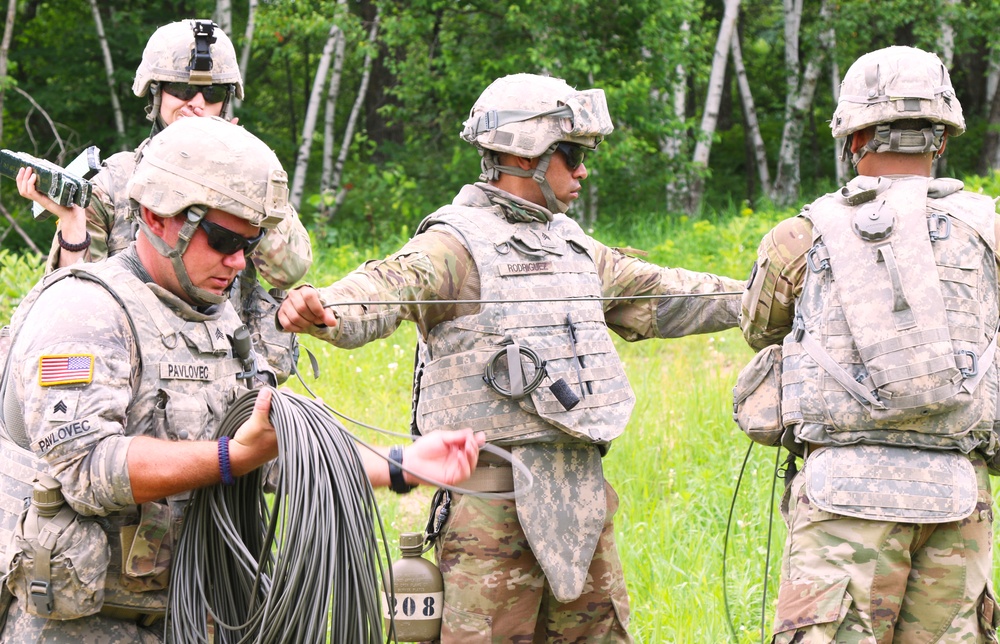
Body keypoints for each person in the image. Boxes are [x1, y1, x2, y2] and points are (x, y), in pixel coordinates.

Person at [277, 72, 743, 642]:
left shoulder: (571, 245)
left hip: (580, 499)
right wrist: (325, 309)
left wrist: (758, 300)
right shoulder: (454, 243)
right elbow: (389, 284)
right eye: (570, 155)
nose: (583, 171)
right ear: (522, 156)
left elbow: (660, 294)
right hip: (488, 511)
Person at [0, 116, 482, 641]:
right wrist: (233, 457)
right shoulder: (85, 309)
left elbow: (275, 440)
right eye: (223, 238)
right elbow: (87, 466)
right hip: (85, 624)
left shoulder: (219, 317)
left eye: (248, 245)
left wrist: (398, 465)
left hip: (198, 615)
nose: (236, 261)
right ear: (156, 217)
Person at [738, 46, 1000, 641]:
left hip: (840, 500)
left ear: (853, 137)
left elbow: (759, 328)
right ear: (940, 138)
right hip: (956, 497)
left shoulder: (800, 236)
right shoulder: (991, 228)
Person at [20, 18, 312, 384]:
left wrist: (243, 176)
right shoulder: (115, 181)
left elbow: (290, 270)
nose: (196, 104)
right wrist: (72, 225)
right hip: (136, 370)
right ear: (155, 93)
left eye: (213, 94)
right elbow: (69, 303)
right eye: (181, 89)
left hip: (229, 370)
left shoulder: (252, 175)